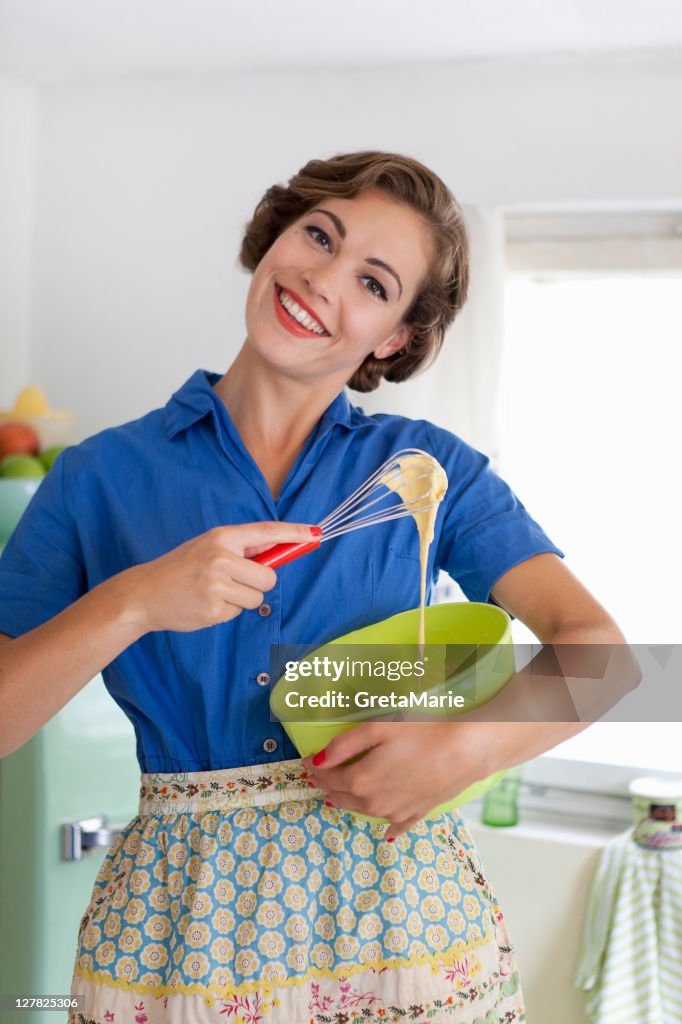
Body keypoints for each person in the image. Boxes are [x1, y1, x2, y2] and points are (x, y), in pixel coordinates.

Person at [0, 151, 629, 1024]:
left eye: (373, 282)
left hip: (404, 923)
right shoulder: (96, 478)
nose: (322, 280)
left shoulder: (432, 471)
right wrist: (135, 600)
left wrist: (462, 754)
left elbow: (605, 659)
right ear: (273, 241)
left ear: (393, 337)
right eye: (318, 236)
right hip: (178, 930)